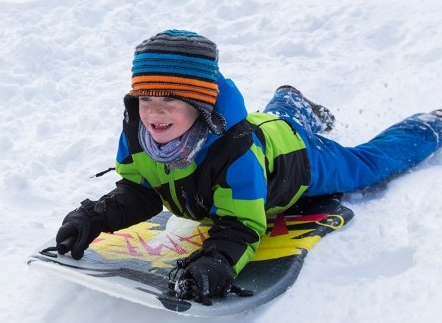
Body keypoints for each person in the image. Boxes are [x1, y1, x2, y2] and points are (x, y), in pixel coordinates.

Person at [55, 29, 442, 305]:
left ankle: (430, 125)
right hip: (264, 127)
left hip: (296, 159)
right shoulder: (139, 135)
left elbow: (242, 224)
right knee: (274, 117)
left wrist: (218, 261)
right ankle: (291, 101)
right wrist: (98, 217)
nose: (155, 113)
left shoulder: (234, 154)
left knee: (367, 166)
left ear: (202, 108)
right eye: (146, 99)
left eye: (170, 101)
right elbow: (141, 190)